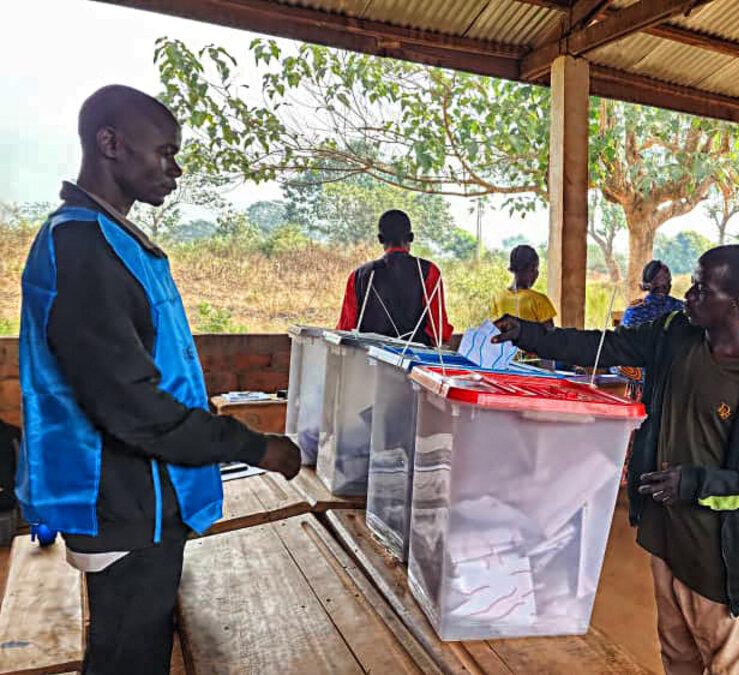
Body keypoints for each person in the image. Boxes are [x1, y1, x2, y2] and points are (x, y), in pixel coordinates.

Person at [17, 85, 301, 674]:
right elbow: (133, 407)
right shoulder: (81, 246)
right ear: (110, 144)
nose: (176, 169)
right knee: (129, 653)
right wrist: (255, 447)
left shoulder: (113, 238)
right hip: (122, 502)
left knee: (142, 640)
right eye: (165, 152)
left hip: (145, 498)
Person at [493, 245, 739, 674]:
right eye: (691, 284)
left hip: (716, 551)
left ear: (736, 302)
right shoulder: (674, 333)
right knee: (677, 652)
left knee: (728, 661)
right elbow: (606, 346)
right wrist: (529, 335)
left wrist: (695, 484)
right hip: (664, 532)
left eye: (702, 289)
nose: (688, 295)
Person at [335, 209, 453, 346]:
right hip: (414, 357)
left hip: (369, 356)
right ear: (411, 237)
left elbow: (345, 330)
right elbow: (438, 331)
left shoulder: (359, 275)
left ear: (380, 239)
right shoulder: (429, 271)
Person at [619, 260, 686, 400]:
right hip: (674, 376)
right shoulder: (681, 309)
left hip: (640, 378)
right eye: (668, 278)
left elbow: (623, 344)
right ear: (667, 284)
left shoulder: (634, 310)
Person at [490, 244, 557, 328]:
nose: (537, 274)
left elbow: (496, 329)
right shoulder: (539, 300)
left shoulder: (498, 297)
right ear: (531, 269)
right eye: (536, 269)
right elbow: (551, 333)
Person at [622, 260, 685, 328]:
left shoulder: (632, 311)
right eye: (669, 279)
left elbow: (623, 331)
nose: (670, 282)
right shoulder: (680, 307)